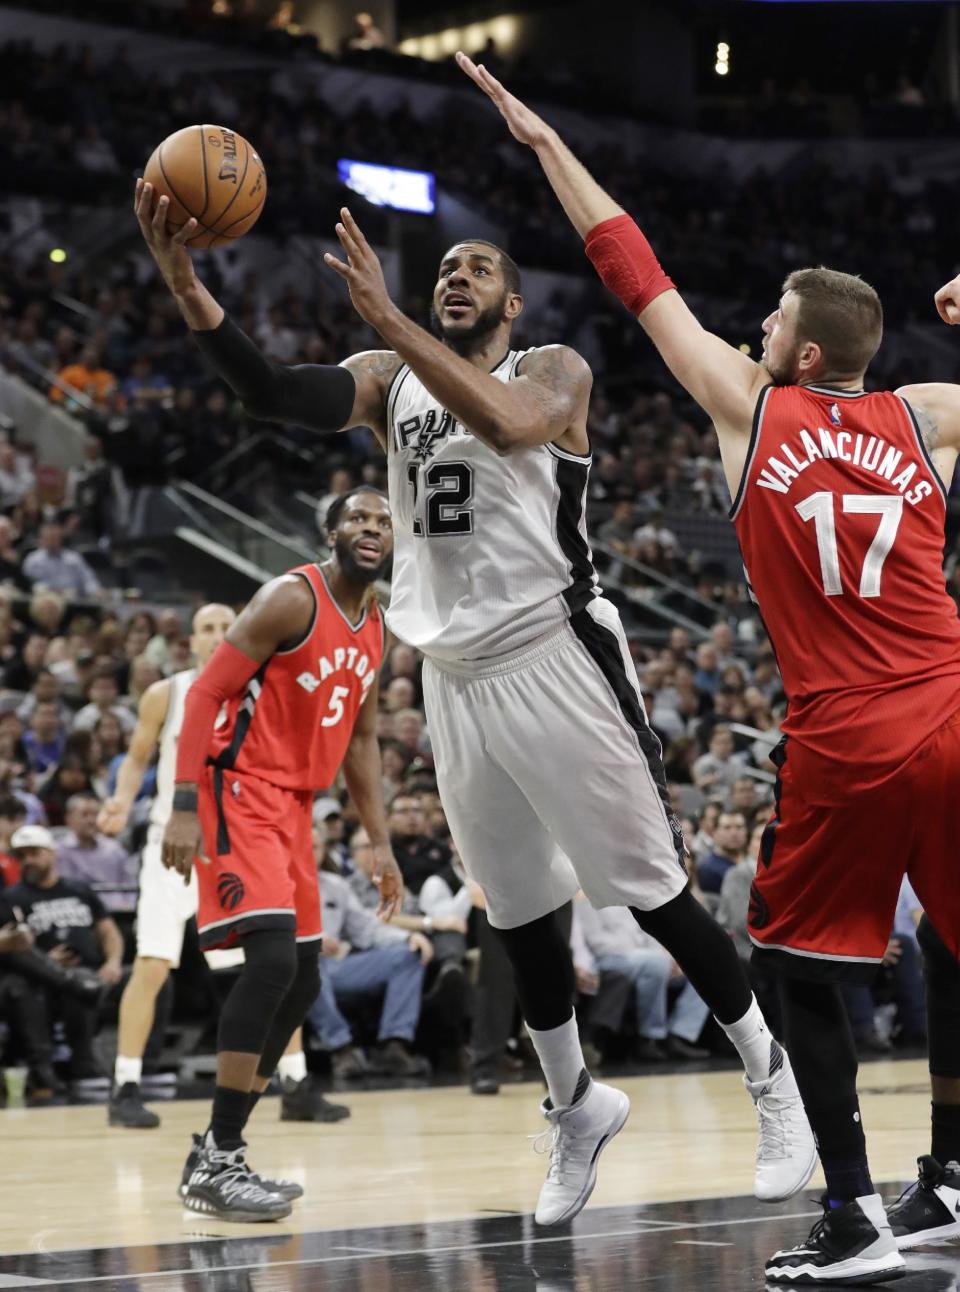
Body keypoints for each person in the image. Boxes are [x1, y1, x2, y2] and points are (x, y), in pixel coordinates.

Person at [134, 138, 813, 1233]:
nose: (455, 275)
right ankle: (574, 1101)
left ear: (509, 301)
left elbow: (512, 427)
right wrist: (184, 281)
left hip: (555, 652)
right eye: (444, 266)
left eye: (477, 267)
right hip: (453, 675)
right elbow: (269, 392)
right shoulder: (387, 382)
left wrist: (390, 319)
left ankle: (771, 1078)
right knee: (520, 907)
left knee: (650, 885)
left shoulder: (553, 367)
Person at [457, 50, 960, 1281]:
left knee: (792, 969)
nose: (755, 327)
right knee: (952, 937)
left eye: (772, 321)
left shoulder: (747, 404)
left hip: (849, 727)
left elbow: (633, 269)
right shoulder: (932, 415)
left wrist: (546, 146)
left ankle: (852, 1214)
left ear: (793, 356)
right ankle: (951, 1171)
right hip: (955, 703)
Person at [160, 490, 402, 1222]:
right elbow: (206, 692)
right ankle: (220, 1158)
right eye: (358, 518)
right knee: (269, 964)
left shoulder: (376, 628)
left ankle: (216, 1152)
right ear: (331, 532)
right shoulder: (289, 599)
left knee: (299, 984)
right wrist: (180, 804)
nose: (372, 529)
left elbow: (360, 740)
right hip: (237, 791)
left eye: (385, 521)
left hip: (296, 809)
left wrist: (379, 837)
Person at [5, 823, 124, 1082]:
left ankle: (143, 1070)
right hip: (44, 980)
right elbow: (10, 944)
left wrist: (113, 962)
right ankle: (84, 1066)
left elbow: (109, 931)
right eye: (21, 856)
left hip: (96, 973)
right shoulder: (10, 898)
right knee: (74, 983)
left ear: (52, 853)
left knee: (155, 979)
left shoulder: (79, 889)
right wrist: (45, 961)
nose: (28, 861)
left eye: (34, 853)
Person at [21, 522, 101, 599]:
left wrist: (94, 591)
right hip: (46, 601)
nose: (52, 542)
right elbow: (28, 585)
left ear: (60, 539)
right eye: (49, 538)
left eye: (55, 538)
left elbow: (88, 580)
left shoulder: (73, 558)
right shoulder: (33, 560)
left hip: (73, 600)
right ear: (42, 539)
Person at [696, 809, 749, 896]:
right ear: (714, 833)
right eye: (727, 827)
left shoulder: (754, 862)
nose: (734, 833)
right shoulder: (707, 868)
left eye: (739, 827)